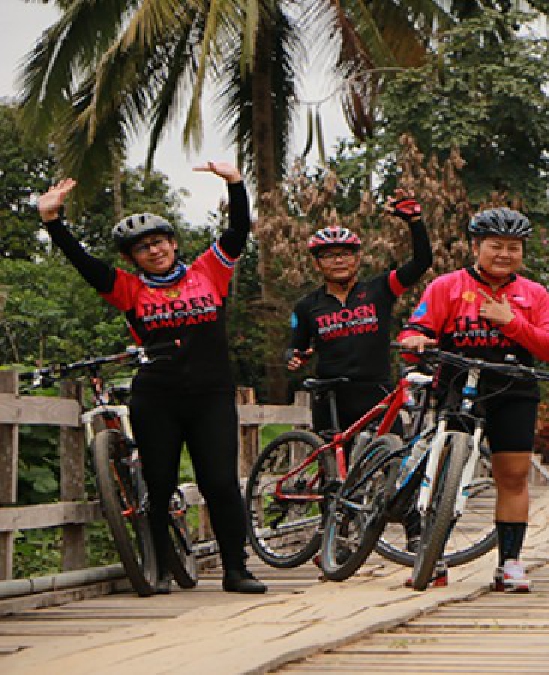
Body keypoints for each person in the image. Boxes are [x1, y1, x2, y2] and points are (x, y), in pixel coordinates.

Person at [37, 163, 266, 594]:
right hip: (157, 398)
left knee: (218, 481)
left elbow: (237, 233)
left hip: (211, 395)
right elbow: (84, 264)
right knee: (157, 486)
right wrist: (53, 222)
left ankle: (237, 569)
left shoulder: (208, 272)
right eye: (142, 249)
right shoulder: (128, 289)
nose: (154, 251)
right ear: (132, 259)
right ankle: (159, 567)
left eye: (159, 242)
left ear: (173, 243)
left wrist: (236, 184)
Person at [397, 207, 549, 592]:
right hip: (459, 385)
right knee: (443, 471)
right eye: (496, 246)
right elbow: (415, 332)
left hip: (514, 390)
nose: (504, 254)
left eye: (513, 247)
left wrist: (512, 322)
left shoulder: (533, 294)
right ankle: (432, 557)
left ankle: (510, 563)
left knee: (512, 476)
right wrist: (416, 342)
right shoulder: (448, 286)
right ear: (476, 247)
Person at [287, 190, 432, 435]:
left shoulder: (381, 289)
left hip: (376, 391)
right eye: (329, 256)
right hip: (331, 396)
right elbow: (295, 347)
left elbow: (421, 263)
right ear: (317, 264)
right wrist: (294, 356)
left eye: (345, 254)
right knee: (333, 467)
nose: (338, 261)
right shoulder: (307, 305)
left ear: (357, 258)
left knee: (389, 458)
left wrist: (414, 222)